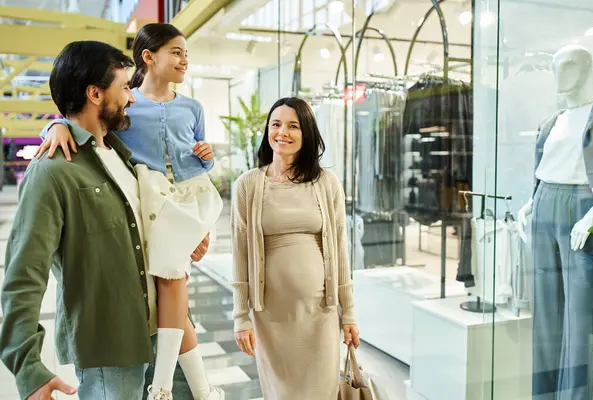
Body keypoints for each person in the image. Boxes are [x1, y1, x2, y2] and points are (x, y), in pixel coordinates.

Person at [0, 41, 210, 400]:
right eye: (125, 87)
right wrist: (28, 367)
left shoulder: (120, 154)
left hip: (162, 331)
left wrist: (183, 239)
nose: (131, 98)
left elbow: (142, 226)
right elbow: (23, 276)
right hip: (110, 349)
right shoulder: (51, 172)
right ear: (95, 93)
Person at [231, 97, 360, 399]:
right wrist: (240, 316)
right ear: (267, 131)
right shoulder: (247, 185)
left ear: (307, 134)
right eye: (276, 125)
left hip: (320, 312)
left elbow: (340, 248)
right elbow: (240, 252)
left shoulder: (326, 182)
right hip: (271, 317)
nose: (282, 133)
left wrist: (349, 310)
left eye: (293, 126)